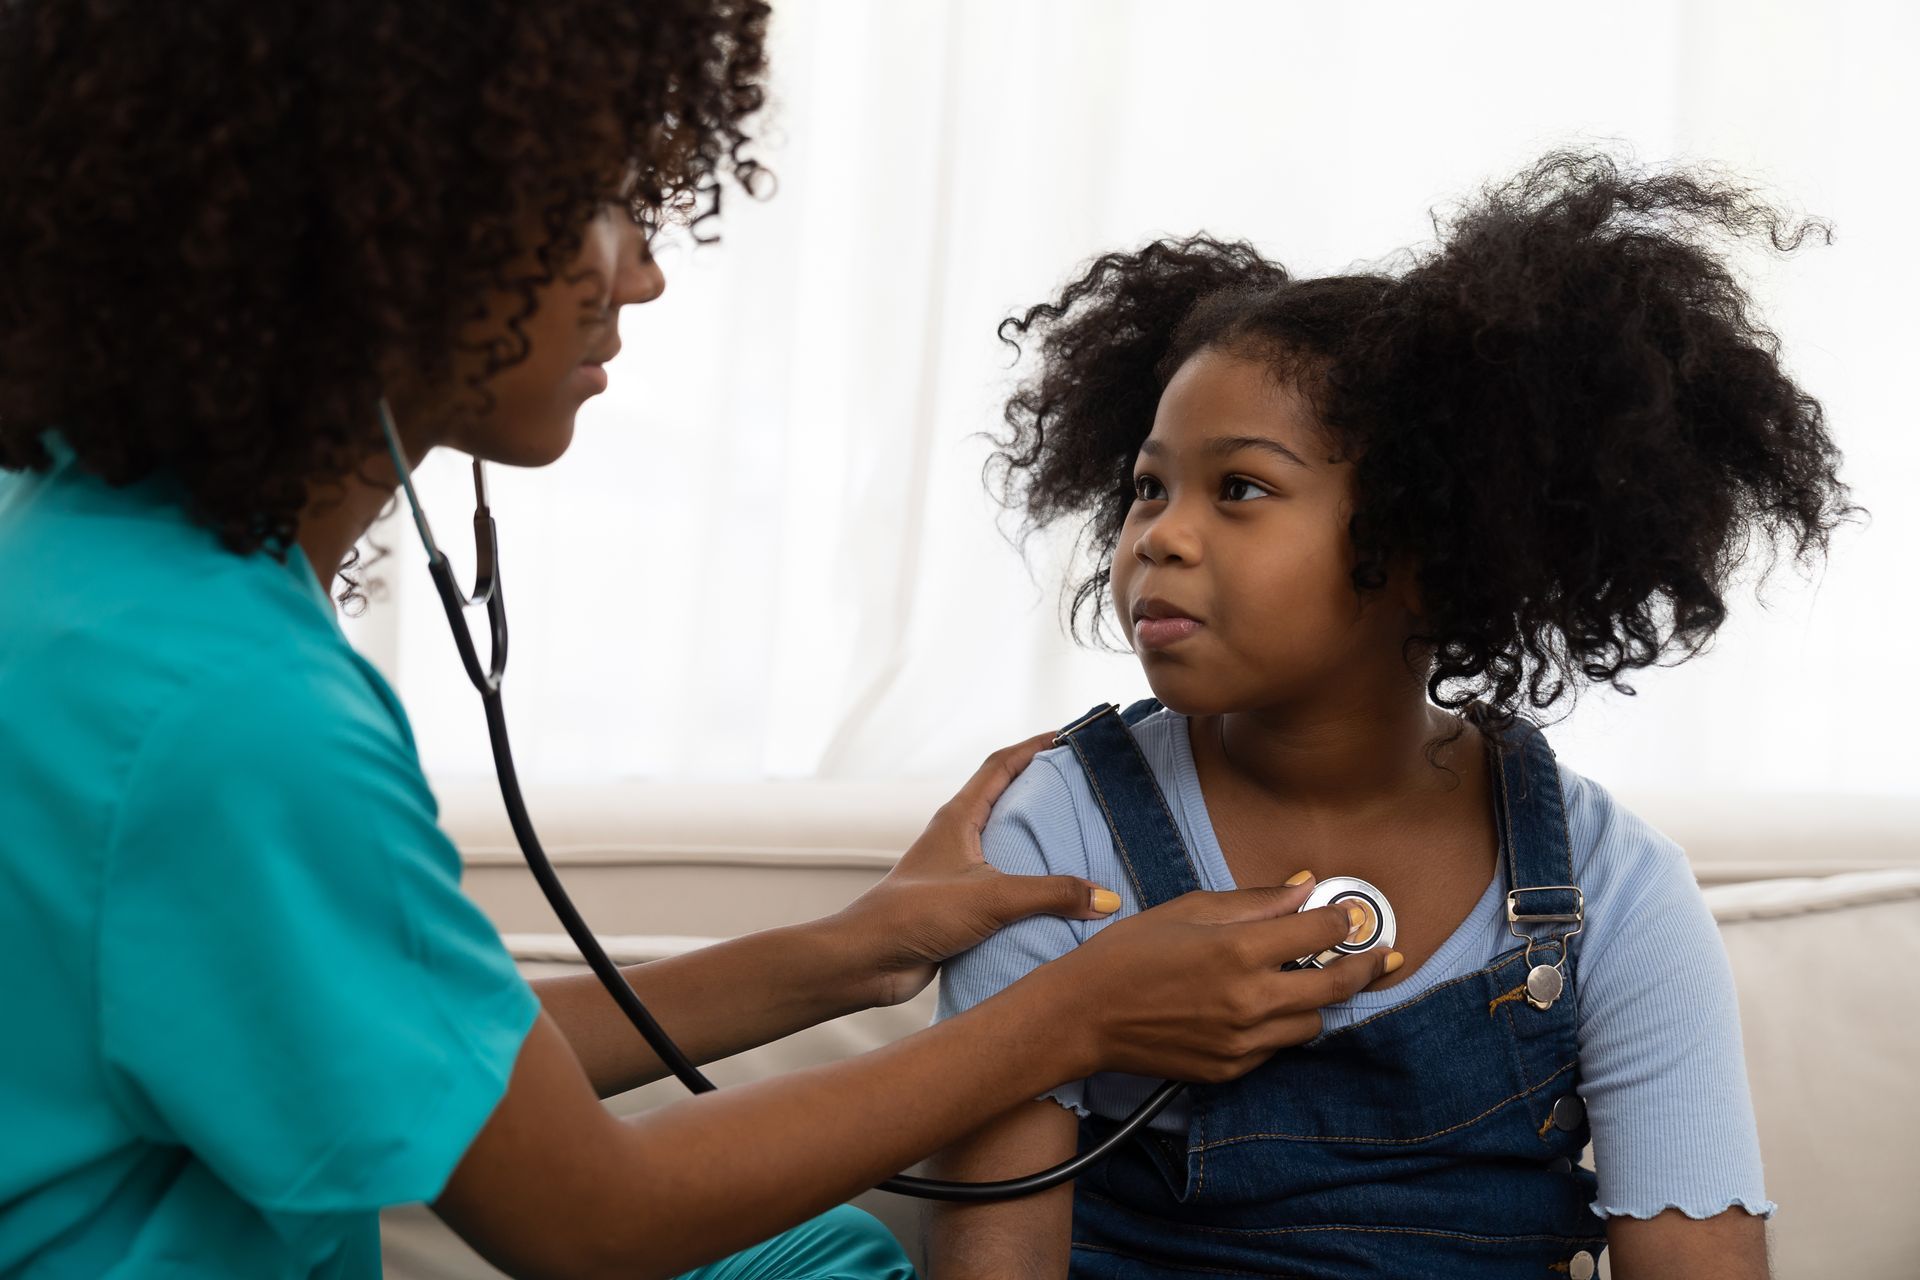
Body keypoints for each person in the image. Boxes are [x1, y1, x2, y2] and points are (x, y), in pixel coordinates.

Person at [0, 4, 1398, 1279]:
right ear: (386, 222)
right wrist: (1071, 1017)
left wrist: (853, 950)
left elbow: (449, 1057)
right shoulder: (229, 713)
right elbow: (590, 1218)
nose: (644, 273)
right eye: (593, 202)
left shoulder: (101, 567)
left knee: (814, 1257)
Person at [926, 153, 1854, 1279]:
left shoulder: (1614, 889)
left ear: (1426, 544)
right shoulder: (1053, 834)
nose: (1157, 534)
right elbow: (994, 1255)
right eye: (1148, 487)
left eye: (1240, 487)